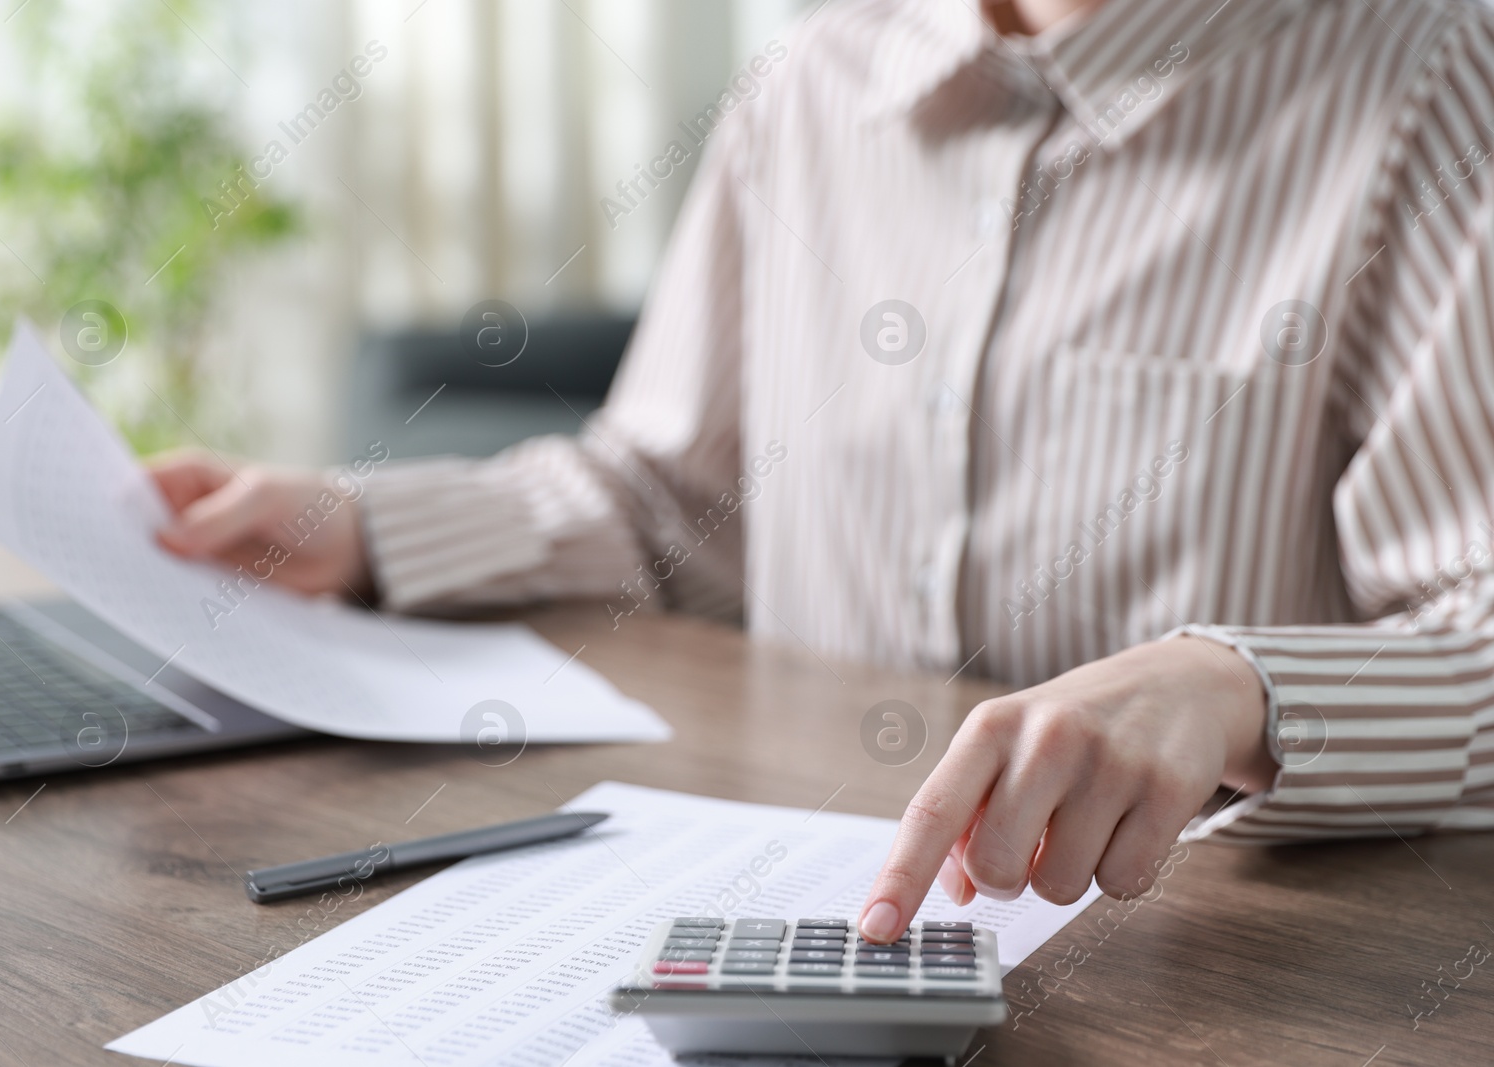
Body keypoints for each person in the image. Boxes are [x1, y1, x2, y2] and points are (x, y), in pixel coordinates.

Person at [152, 0, 1494, 946]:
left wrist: (1232, 688)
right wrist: (370, 524)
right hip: (790, 900)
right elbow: (672, 494)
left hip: (1218, 967)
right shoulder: (805, 83)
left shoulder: (1440, 78)